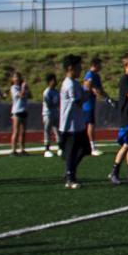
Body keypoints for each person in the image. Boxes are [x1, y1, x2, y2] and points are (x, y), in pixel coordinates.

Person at [58, 54, 88, 189]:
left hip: (78, 123)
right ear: (70, 68)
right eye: (78, 67)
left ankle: (69, 171)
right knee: (72, 151)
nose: (80, 69)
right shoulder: (69, 84)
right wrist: (87, 92)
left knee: (84, 149)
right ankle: (70, 178)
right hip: (69, 125)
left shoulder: (75, 83)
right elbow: (78, 102)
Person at [110, 53, 128, 186]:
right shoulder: (125, 79)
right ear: (126, 66)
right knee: (126, 144)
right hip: (126, 116)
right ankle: (114, 171)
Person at [82, 56, 106, 156]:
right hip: (87, 104)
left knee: (89, 124)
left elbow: (100, 89)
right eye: (99, 65)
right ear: (95, 65)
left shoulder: (96, 76)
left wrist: (107, 98)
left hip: (91, 102)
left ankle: (86, 146)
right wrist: (92, 88)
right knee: (90, 124)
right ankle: (91, 147)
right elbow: (86, 86)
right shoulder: (89, 74)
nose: (101, 67)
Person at [8, 70, 30, 156]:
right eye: (15, 77)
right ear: (13, 79)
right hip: (16, 111)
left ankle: (22, 149)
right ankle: (13, 150)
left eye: (18, 77)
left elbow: (29, 95)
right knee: (16, 131)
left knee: (23, 131)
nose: (17, 79)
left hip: (24, 110)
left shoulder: (22, 86)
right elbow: (20, 95)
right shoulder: (13, 88)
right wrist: (23, 88)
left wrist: (26, 88)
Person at [41, 72, 60, 157]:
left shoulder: (56, 91)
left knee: (57, 130)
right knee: (47, 131)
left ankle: (60, 147)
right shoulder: (47, 92)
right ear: (49, 82)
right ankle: (47, 149)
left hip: (55, 112)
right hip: (48, 114)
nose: (55, 82)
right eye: (53, 80)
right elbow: (49, 104)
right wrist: (55, 104)